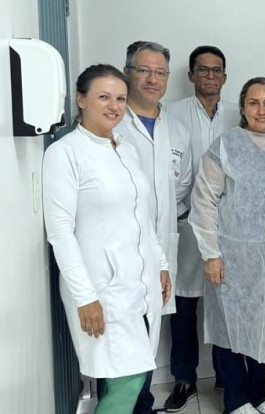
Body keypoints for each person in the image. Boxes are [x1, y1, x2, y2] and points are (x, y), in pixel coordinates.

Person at [43, 64, 171, 414]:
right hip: (102, 288)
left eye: (120, 98)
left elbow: (142, 216)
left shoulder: (125, 149)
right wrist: (85, 297)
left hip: (140, 283)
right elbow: (60, 232)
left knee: (135, 375)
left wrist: (160, 264)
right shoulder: (65, 153)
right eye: (103, 97)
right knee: (124, 382)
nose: (114, 106)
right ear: (81, 99)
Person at [189, 77, 265, 414]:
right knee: (230, 325)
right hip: (232, 255)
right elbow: (204, 201)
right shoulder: (226, 145)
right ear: (243, 108)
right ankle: (235, 397)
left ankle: (259, 393)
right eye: (253, 103)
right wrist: (211, 254)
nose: (261, 110)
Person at [115, 40, 192, 414]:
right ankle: (132, 406)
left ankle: (142, 406)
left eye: (160, 72)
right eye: (144, 70)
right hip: (120, 253)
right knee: (122, 341)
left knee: (148, 335)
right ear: (127, 72)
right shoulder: (112, 123)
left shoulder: (176, 129)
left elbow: (182, 185)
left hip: (161, 249)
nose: (152, 79)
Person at [162, 45, 239, 410]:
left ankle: (227, 374)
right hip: (187, 224)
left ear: (225, 76)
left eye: (216, 70)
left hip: (231, 227)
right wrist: (180, 211)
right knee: (184, 304)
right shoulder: (171, 114)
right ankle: (184, 379)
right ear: (191, 75)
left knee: (225, 304)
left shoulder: (239, 113)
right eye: (203, 70)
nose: (210, 76)